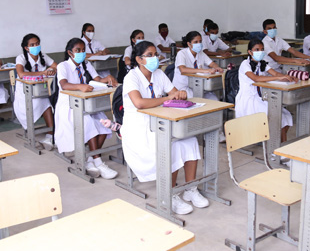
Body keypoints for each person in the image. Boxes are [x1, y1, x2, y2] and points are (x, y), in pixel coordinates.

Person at [121, 40, 207, 215]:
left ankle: (190, 189)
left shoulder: (158, 74)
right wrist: (166, 100)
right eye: (150, 55)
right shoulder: (131, 77)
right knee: (172, 144)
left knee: (190, 140)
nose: (155, 58)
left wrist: (179, 94)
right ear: (139, 59)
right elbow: (140, 103)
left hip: (160, 122)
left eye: (155, 55)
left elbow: (174, 92)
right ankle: (170, 194)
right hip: (139, 129)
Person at [54, 38, 118, 179]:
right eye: (78, 50)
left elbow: (97, 79)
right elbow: (64, 84)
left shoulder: (86, 64)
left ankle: (90, 159)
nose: (81, 53)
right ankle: (98, 161)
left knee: (105, 123)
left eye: (83, 50)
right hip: (70, 106)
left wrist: (107, 78)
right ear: (70, 52)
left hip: (87, 104)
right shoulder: (63, 66)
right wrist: (79, 86)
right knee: (89, 124)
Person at [235, 39, 297, 143]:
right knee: (277, 117)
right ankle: (277, 147)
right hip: (249, 100)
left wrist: (288, 77)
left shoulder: (262, 63)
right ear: (250, 52)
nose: (260, 52)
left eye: (262, 49)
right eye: (257, 49)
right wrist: (278, 78)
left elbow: (276, 74)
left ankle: (277, 144)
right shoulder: (245, 64)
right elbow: (256, 78)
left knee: (286, 115)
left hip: (261, 98)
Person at [14, 33, 57, 146]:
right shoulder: (21, 57)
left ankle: (51, 134)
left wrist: (51, 70)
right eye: (32, 44)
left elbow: (57, 67)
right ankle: (50, 132)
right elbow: (21, 74)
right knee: (44, 102)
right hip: (25, 93)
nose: (36, 46)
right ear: (26, 48)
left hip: (41, 91)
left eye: (37, 44)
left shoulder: (43, 56)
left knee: (48, 101)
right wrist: (43, 72)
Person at [172, 31, 224, 99]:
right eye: (196, 42)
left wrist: (217, 67)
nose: (199, 44)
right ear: (189, 44)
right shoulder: (182, 54)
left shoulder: (201, 53)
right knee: (197, 100)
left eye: (200, 41)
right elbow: (183, 70)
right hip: (183, 88)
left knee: (214, 99)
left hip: (199, 86)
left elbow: (212, 63)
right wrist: (205, 70)